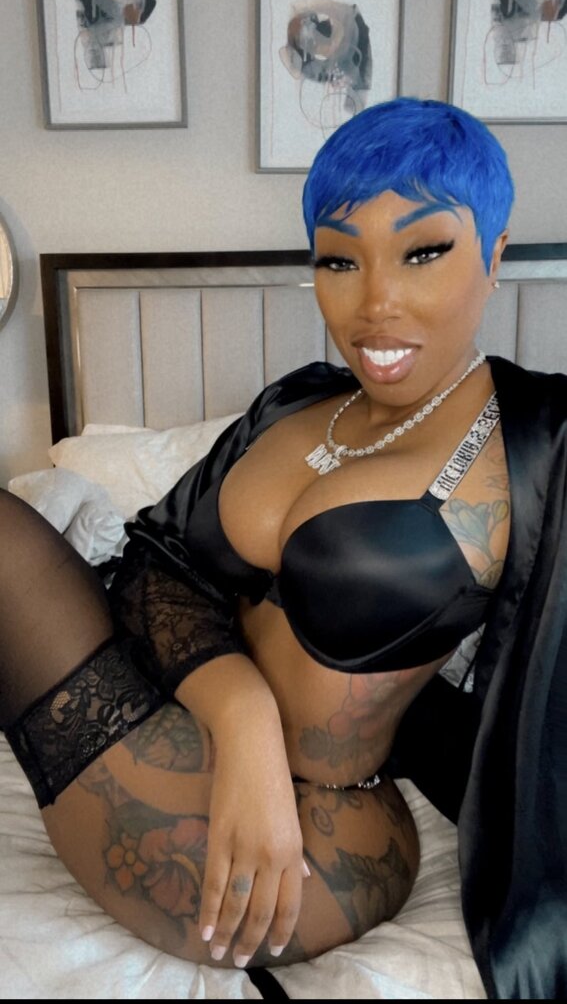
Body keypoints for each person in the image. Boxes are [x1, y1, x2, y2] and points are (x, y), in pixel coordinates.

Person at [1, 97, 566, 1000]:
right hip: (196, 726)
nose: (374, 303)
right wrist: (244, 722)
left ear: (494, 256)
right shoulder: (298, 403)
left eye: (422, 252)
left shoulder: (538, 442)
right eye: (339, 259)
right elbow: (156, 562)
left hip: (316, 845)